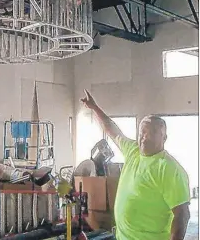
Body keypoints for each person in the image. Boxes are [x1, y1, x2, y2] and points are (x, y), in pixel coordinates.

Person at [81, 89, 190, 240]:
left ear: (164, 137)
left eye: (151, 133)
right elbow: (112, 129)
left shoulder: (169, 168)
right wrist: (94, 107)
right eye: (142, 133)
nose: (144, 138)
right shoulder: (133, 151)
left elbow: (182, 215)